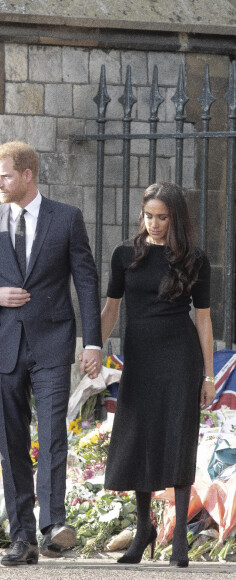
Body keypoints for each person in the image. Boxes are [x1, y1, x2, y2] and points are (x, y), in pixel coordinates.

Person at [0, 141, 102, 565]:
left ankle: (53, 524)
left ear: (27, 175)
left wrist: (92, 342)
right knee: (12, 443)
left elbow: (87, 282)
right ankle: (22, 536)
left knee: (53, 433)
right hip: (4, 346)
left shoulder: (66, 218)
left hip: (53, 344)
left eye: (4, 175)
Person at [97, 182, 216, 567]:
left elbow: (203, 320)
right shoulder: (124, 255)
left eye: (162, 217)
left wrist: (209, 375)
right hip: (141, 358)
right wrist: (94, 350)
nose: (154, 224)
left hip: (180, 358)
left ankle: (179, 534)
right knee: (141, 439)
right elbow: (112, 309)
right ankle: (144, 528)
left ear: (176, 218)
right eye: (149, 216)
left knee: (178, 438)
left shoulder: (195, 259)